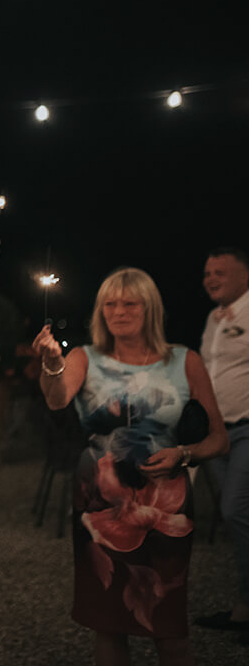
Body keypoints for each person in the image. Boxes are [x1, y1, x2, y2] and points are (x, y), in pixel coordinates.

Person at [32, 267, 229, 666]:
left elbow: (218, 439)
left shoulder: (184, 360)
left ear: (150, 308)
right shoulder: (83, 357)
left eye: (129, 303)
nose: (118, 311)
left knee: (168, 622)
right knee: (108, 621)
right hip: (98, 503)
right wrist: (52, 363)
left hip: (166, 506)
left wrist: (183, 455)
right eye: (110, 304)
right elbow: (56, 399)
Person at [195, 247, 249, 645]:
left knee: (234, 510)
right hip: (217, 434)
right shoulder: (214, 318)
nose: (210, 278)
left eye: (220, 272)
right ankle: (244, 606)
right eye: (207, 273)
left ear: (245, 275)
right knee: (236, 518)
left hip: (247, 429)